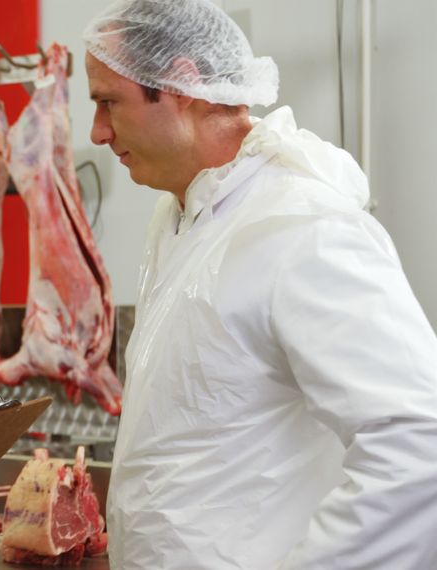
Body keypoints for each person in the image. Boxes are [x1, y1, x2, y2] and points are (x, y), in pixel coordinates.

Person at [82, 1, 437, 568]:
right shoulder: (179, 220)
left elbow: (419, 446)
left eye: (107, 102)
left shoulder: (301, 228)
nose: (97, 132)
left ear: (182, 85)